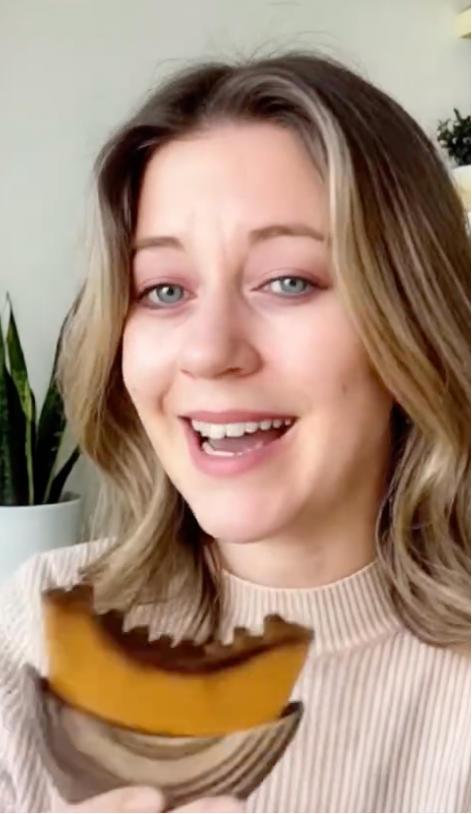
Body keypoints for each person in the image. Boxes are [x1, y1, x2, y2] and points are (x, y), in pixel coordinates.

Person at [0, 51, 470, 814]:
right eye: (164, 290)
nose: (210, 351)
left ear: (411, 317)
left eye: (289, 281)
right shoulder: (36, 625)